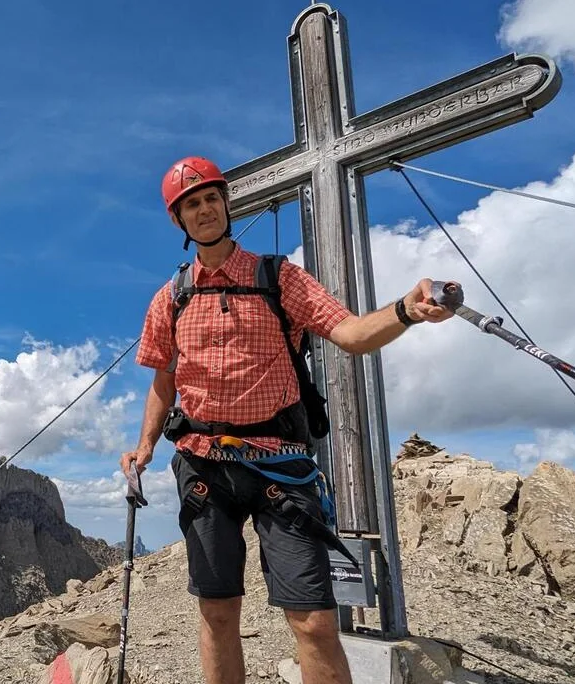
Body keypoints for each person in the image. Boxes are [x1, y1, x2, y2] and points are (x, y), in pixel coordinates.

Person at [120, 156, 453, 684]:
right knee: (217, 612)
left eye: (210, 198)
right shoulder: (171, 298)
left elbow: (350, 334)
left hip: (281, 466)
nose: (204, 209)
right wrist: (145, 447)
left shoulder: (280, 278)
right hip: (203, 468)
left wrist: (406, 310)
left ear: (227, 203)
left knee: (315, 621)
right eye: (191, 204)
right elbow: (164, 381)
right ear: (178, 220)